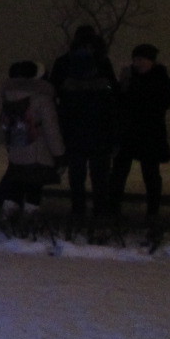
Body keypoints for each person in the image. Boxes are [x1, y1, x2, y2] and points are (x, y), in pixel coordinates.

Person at [48, 25, 119, 239]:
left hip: (73, 126)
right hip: (100, 127)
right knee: (99, 174)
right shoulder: (102, 61)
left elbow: (54, 92)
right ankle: (100, 211)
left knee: (76, 173)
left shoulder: (63, 62)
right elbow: (113, 95)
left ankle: (77, 209)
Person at [109, 43, 170, 246]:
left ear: (151, 61)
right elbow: (119, 101)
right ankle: (114, 210)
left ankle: (152, 212)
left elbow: (162, 103)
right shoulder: (130, 77)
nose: (138, 63)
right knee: (120, 171)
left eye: (142, 59)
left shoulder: (161, 79)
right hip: (129, 131)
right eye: (136, 59)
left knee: (150, 173)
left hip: (149, 133)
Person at [0, 60, 64, 229]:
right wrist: (59, 153)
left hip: (17, 149)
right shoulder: (42, 97)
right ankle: (29, 224)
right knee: (34, 186)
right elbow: (51, 128)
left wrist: (10, 147)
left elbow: (5, 125)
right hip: (37, 151)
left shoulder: (8, 96)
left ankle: (6, 219)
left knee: (16, 185)